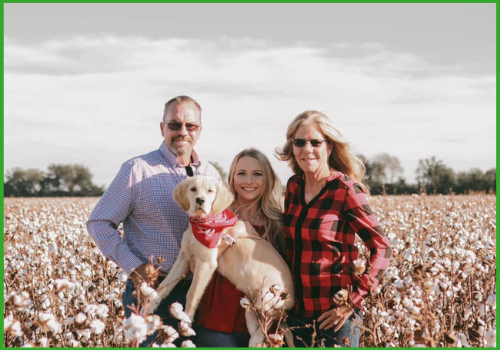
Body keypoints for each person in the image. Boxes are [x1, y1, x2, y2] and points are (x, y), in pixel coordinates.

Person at [86, 95, 221, 346]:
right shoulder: (137, 170)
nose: (183, 132)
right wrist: (135, 268)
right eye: (174, 125)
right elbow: (99, 222)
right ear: (162, 128)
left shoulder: (210, 174)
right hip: (151, 292)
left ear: (199, 130)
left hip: (202, 292)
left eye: (190, 126)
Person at [275, 110, 392, 348]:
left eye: (315, 142)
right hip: (296, 313)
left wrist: (353, 301)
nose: (307, 149)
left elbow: (382, 247)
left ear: (329, 147)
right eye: (299, 142)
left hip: (336, 318)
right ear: (292, 148)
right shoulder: (294, 186)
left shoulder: (345, 189)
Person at [193, 148, 285, 347]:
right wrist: (231, 236)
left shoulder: (277, 223)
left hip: (264, 323)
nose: (249, 181)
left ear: (267, 179)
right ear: (232, 178)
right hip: (217, 321)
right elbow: (195, 265)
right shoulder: (215, 215)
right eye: (241, 173)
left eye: (257, 174)